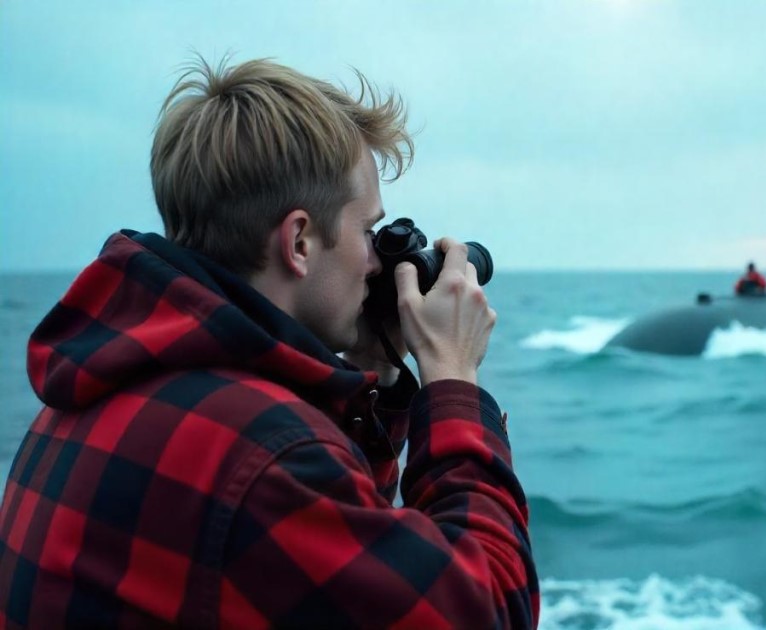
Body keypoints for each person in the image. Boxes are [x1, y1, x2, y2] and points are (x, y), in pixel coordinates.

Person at [0, 57, 537, 628]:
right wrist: (452, 379)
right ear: (300, 242)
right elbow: (489, 609)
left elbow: (345, 567)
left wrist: (375, 369)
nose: (376, 260)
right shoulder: (264, 453)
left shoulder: (97, 387)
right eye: (366, 230)